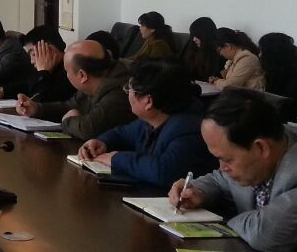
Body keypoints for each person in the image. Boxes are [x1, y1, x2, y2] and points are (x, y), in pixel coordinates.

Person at [168, 88, 297, 252]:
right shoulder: (265, 139)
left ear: (261, 148)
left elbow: (264, 234)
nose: (222, 167)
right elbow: (221, 179)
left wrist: (223, 221)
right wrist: (198, 191)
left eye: (227, 159)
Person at [80, 59, 216, 187]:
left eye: (129, 89)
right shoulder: (154, 118)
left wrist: (117, 159)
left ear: (148, 101)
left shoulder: (189, 129)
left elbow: (163, 171)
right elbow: (122, 133)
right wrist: (102, 142)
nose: (128, 94)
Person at [15, 38, 132, 139]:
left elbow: (88, 129)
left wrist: (68, 121)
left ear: (82, 75)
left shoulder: (119, 89)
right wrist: (37, 109)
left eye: (67, 71)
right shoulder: (94, 79)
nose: (66, 75)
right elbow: (69, 106)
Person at [258, 32, 297, 119]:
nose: (259, 55)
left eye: (262, 51)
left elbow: (285, 113)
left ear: (271, 55)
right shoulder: (276, 74)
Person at [182, 16, 223, 81]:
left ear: (206, 36)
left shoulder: (219, 53)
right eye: (193, 35)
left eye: (197, 36)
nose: (194, 39)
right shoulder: (191, 46)